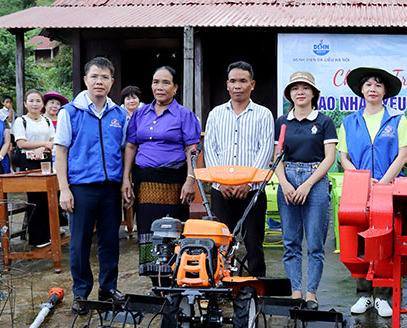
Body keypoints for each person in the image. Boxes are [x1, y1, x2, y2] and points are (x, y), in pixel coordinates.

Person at [54, 56, 127, 314]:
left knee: (110, 241)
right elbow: (60, 152)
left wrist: (124, 181)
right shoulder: (70, 112)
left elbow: (124, 149)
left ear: (112, 82)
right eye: (95, 76)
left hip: (110, 188)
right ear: (85, 80)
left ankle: (108, 290)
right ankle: (81, 293)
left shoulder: (118, 114)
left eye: (105, 77)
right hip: (81, 188)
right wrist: (64, 188)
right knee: (80, 243)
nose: (99, 81)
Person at [338, 66, 407, 318]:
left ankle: (383, 296)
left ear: (385, 92)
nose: (372, 89)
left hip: (388, 189)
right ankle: (363, 295)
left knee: (384, 241)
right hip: (359, 190)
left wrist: (381, 183)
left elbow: (403, 155)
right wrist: (362, 180)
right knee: (359, 241)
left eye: (378, 85)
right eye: (368, 85)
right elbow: (343, 157)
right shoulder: (349, 121)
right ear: (361, 90)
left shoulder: (397, 119)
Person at [121, 67, 200, 273]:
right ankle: (154, 279)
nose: (160, 87)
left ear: (175, 88)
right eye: (156, 82)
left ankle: (175, 277)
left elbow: (191, 149)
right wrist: (126, 179)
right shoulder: (140, 114)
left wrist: (190, 179)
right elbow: (131, 146)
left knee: (173, 231)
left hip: (174, 182)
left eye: (166, 83)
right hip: (145, 183)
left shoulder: (184, 115)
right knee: (148, 231)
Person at [203, 61, 274, 277]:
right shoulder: (215, 114)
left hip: (252, 191)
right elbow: (210, 149)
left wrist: (248, 182)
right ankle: (221, 284)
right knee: (222, 242)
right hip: (221, 190)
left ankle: (256, 287)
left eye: (243, 81)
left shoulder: (263, 114)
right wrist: (221, 181)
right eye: (233, 81)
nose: (238, 86)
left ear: (252, 84)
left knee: (254, 243)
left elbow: (265, 150)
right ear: (227, 85)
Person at [274, 71, 337, 309]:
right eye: (295, 88)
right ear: (289, 94)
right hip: (287, 178)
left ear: (314, 93)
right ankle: (296, 291)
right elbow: (277, 157)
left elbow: (329, 157)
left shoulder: (324, 121)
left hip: (316, 179)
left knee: (315, 243)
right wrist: (285, 183)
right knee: (290, 241)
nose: (300, 92)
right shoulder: (282, 121)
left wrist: (308, 184)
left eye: (305, 88)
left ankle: (311, 293)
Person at [12, 89, 56, 248]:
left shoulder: (47, 121)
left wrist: (43, 149)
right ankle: (37, 238)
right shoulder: (21, 121)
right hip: (28, 162)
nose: (34, 104)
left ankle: (50, 234)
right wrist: (43, 145)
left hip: (45, 160)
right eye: (31, 101)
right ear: (25, 103)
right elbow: (21, 143)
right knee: (35, 199)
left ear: (42, 104)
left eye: (38, 101)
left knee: (48, 198)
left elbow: (53, 141)